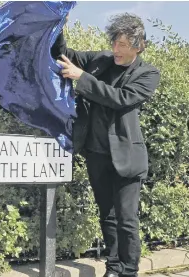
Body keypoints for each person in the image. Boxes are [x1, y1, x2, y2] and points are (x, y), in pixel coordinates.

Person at [52, 13, 160, 277]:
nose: (116, 50)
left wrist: (82, 78)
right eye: (114, 42)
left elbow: (121, 98)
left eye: (122, 45)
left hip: (127, 158)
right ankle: (113, 267)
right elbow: (64, 53)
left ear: (139, 45)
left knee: (126, 220)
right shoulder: (100, 60)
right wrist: (57, 27)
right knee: (107, 216)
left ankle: (128, 270)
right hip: (97, 154)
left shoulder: (148, 74)